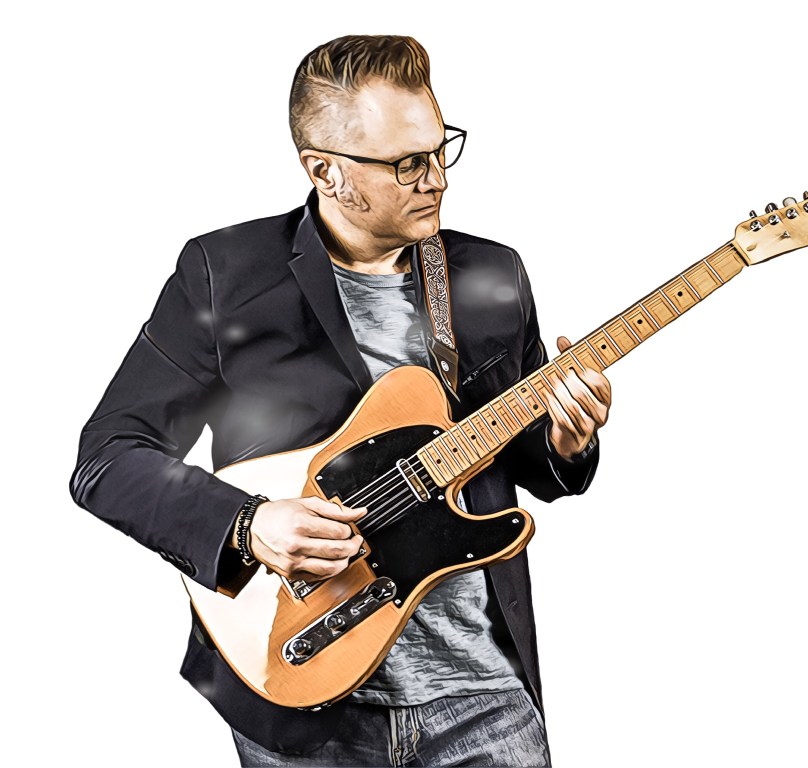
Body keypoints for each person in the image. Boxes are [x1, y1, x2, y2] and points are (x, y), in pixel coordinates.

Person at [70, 35, 612, 766]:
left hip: (482, 693)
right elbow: (108, 458)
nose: (435, 180)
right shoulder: (225, 273)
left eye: (440, 149)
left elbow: (525, 460)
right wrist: (249, 524)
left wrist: (566, 442)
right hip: (300, 685)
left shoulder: (492, 273)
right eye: (406, 162)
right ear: (323, 169)